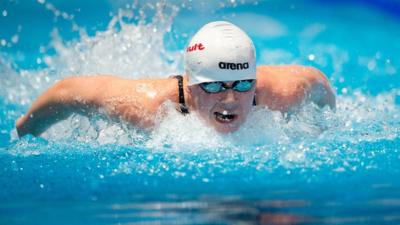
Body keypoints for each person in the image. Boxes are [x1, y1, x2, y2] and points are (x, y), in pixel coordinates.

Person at [16, 21, 335, 137]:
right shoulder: (147, 107)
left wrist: (322, 126)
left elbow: (319, 83)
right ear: (192, 84)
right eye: (213, 85)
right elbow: (69, 91)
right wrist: (27, 128)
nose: (229, 99)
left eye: (241, 84)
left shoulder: (284, 92)